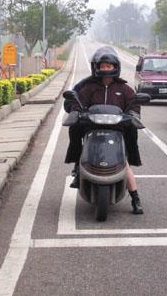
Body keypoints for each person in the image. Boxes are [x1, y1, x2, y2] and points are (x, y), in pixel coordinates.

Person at [64, 46, 144, 214]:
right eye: (103, 66)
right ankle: (78, 167)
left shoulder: (124, 88)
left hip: (117, 131)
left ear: (116, 67)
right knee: (75, 129)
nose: (106, 69)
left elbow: (133, 103)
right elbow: (76, 101)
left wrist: (133, 114)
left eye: (109, 66)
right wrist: (76, 112)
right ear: (97, 67)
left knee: (126, 163)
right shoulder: (88, 87)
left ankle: (135, 198)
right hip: (92, 129)